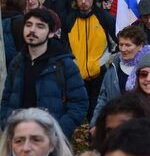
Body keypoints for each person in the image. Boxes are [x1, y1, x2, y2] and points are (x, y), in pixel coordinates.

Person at [1, 9, 88, 140]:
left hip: (53, 143)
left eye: (40, 26)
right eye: (28, 25)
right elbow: (7, 99)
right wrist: (7, 126)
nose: (32, 30)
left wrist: (58, 132)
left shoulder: (64, 64)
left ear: (51, 32)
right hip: (18, 140)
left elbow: (79, 103)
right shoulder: (17, 63)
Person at [90, 25, 150, 124]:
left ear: (140, 46)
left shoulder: (149, 68)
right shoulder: (113, 66)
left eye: (128, 45)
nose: (123, 49)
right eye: (121, 44)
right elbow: (103, 98)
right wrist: (95, 123)